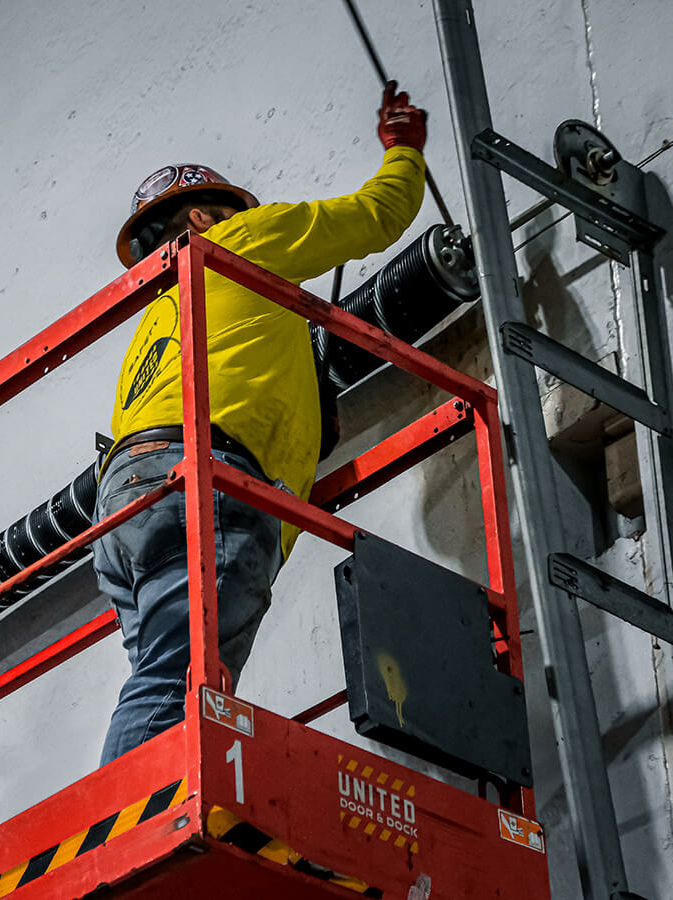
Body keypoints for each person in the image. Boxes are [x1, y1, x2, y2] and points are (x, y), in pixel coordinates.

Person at [95, 82, 429, 764]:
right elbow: (376, 214)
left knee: (171, 678)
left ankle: (149, 812)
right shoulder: (234, 243)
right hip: (203, 482)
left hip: (124, 505)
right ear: (205, 219)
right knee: (179, 682)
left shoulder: (159, 323)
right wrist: (404, 151)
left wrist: (304, 407)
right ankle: (124, 834)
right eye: (222, 213)